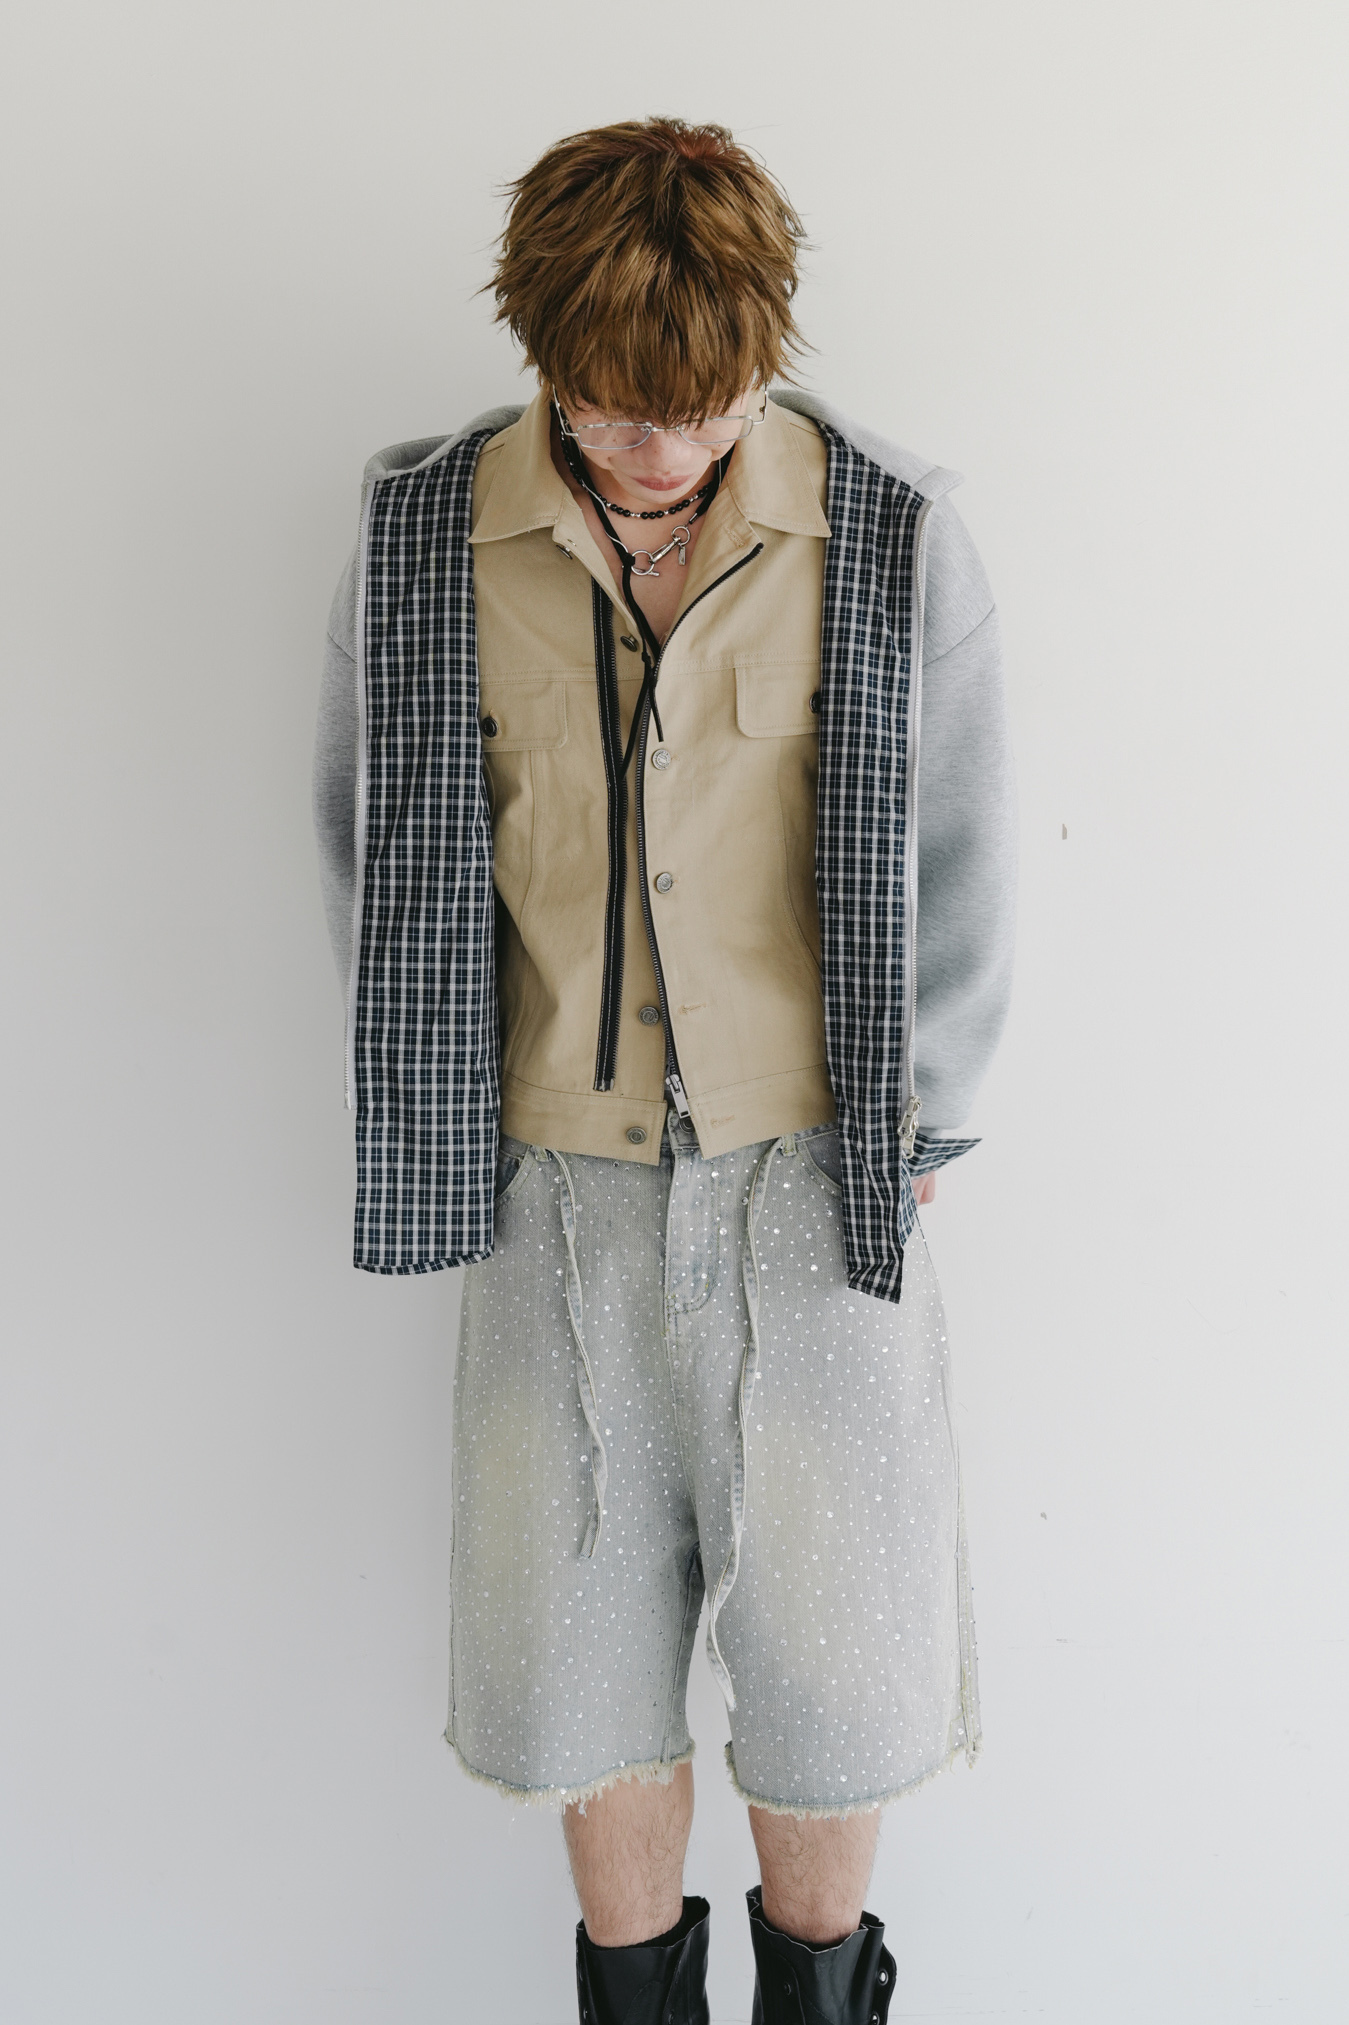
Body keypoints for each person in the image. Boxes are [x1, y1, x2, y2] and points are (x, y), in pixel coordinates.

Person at [313, 116, 1015, 2025]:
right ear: (543, 351)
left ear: (760, 354)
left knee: (838, 1672)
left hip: (819, 1180)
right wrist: (443, 1098)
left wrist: (930, 1112)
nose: (656, 452)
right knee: (573, 1668)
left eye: (700, 410)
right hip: (555, 1187)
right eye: (614, 409)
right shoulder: (426, 531)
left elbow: (963, 840)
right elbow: (374, 842)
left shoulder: (887, 527)